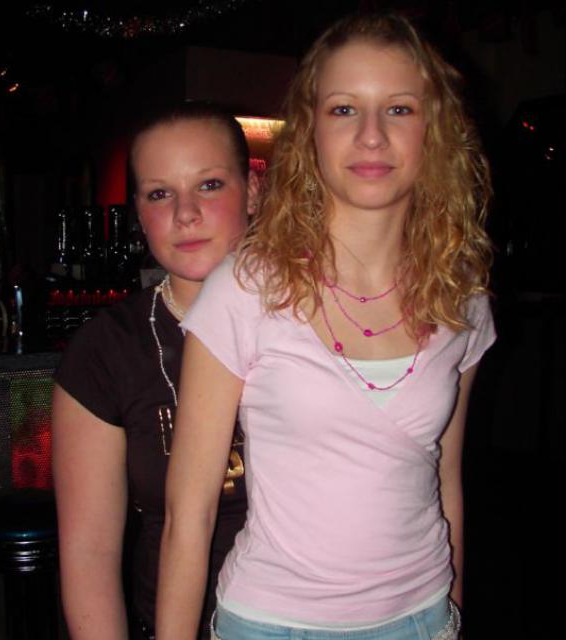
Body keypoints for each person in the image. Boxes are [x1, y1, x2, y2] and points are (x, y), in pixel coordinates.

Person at [157, 13, 495, 640]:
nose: (371, 135)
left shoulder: (463, 295)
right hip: (271, 624)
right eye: (344, 109)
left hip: (422, 618)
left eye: (398, 109)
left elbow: (446, 477)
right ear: (311, 131)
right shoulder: (246, 288)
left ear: (434, 130)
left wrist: (451, 610)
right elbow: (188, 515)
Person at [52, 102, 259, 640]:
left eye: (209, 185)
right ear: (139, 214)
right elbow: (90, 554)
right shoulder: (105, 351)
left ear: (253, 193)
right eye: (160, 194)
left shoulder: (317, 320)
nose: (185, 214)